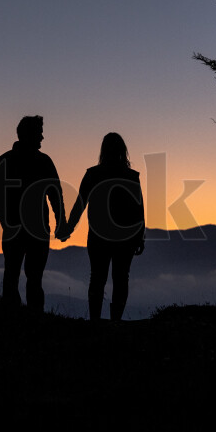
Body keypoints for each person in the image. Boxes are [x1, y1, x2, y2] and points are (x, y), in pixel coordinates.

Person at [57, 133, 145, 321]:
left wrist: (68, 229)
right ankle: (116, 321)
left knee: (97, 278)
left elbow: (80, 205)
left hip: (98, 237)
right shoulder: (131, 176)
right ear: (123, 151)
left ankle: (95, 320)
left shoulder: (93, 174)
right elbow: (139, 210)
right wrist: (140, 237)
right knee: (121, 278)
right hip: (126, 237)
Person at [0, 116, 67, 314]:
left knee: (12, 274)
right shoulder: (43, 161)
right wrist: (61, 223)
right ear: (29, 134)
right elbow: (55, 195)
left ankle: (11, 317)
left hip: (16, 229)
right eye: (39, 132)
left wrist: (5, 220)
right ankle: (34, 318)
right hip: (37, 229)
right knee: (33, 277)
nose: (42, 136)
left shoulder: (5, 160)